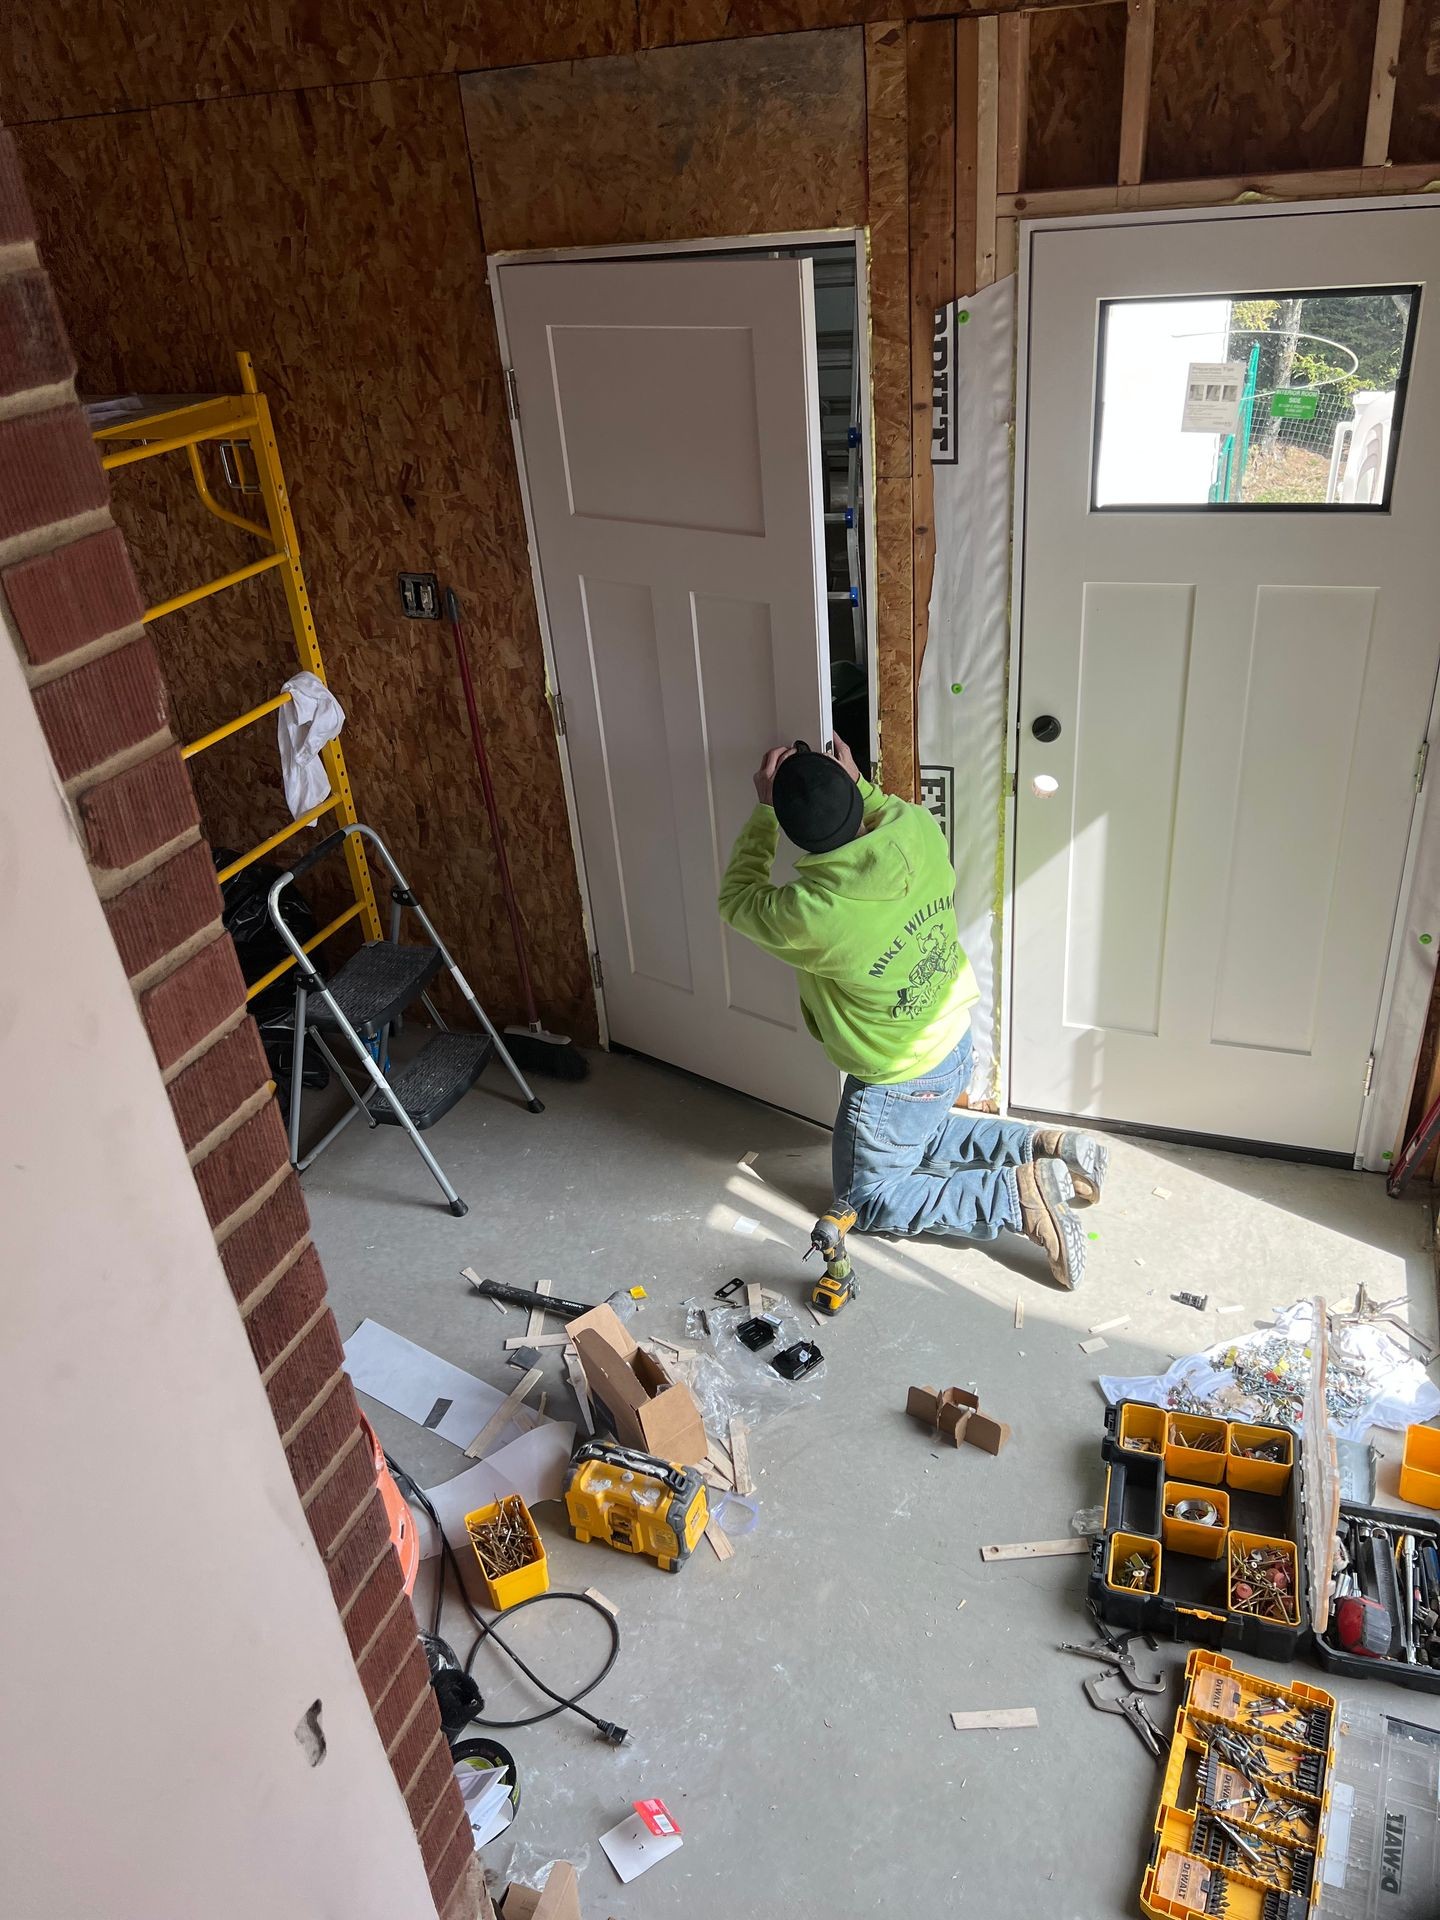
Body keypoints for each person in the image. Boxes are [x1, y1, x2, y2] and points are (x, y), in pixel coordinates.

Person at [717, 738, 1106, 1289]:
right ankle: (1043, 1147)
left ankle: (1015, 1197)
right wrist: (855, 780)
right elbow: (881, 807)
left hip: (894, 1079)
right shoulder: (919, 828)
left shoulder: (811, 915)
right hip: (952, 1044)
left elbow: (736, 898)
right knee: (916, 1135)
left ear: (793, 833)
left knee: (867, 1200)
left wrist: (762, 810)